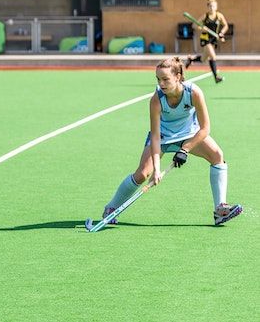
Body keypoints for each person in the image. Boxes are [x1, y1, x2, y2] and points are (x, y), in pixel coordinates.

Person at [100, 56, 242, 226]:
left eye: (165, 79)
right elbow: (154, 135)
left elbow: (205, 129)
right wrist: (156, 170)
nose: (161, 84)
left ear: (178, 76)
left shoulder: (194, 93)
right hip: (163, 137)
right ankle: (111, 208)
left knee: (217, 155)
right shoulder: (156, 99)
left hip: (189, 134)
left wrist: (185, 149)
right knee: (142, 174)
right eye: (158, 79)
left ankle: (220, 209)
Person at [189, 0, 229, 83]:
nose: (212, 8)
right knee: (213, 56)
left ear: (216, 7)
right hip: (205, 38)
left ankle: (191, 59)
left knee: (203, 59)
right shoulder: (205, 16)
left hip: (213, 39)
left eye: (213, 6)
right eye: (210, 6)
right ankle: (216, 77)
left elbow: (226, 26)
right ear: (208, 7)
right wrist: (202, 28)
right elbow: (194, 25)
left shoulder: (219, 16)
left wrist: (221, 33)